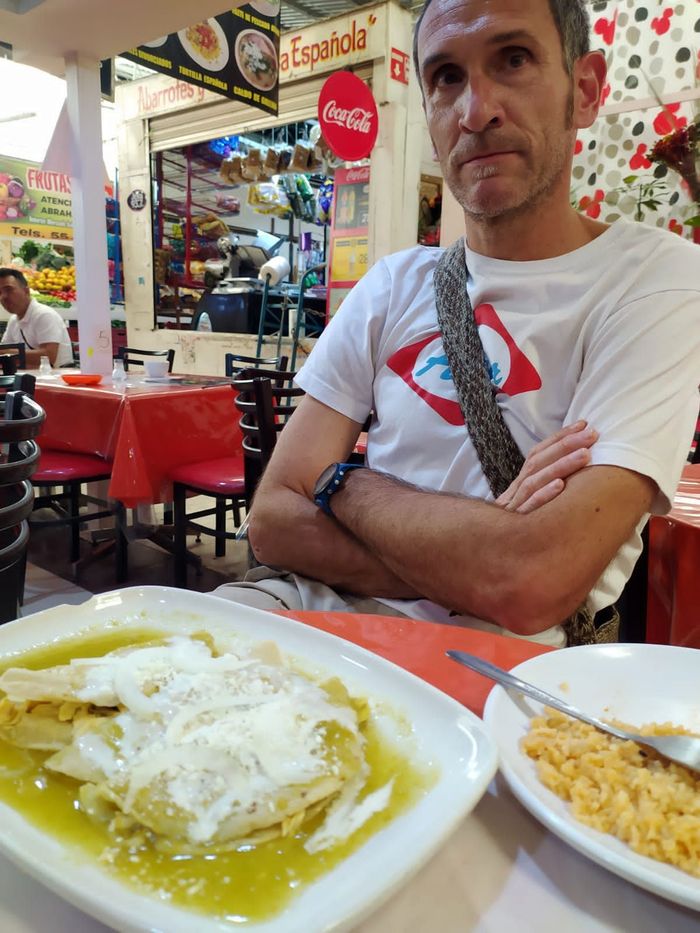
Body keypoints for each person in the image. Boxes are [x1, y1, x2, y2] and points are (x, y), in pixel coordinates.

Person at [214, 0, 700, 647]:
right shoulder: (391, 284)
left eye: (514, 60)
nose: (475, 110)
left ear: (584, 90)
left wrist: (341, 483)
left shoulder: (656, 278)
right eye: (446, 77)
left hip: (492, 662)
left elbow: (529, 582)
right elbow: (273, 520)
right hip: (299, 608)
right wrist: (481, 550)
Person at [0, 268, 74, 368]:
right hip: (30, 375)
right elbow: (4, 351)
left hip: (57, 375)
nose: (3, 297)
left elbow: (49, 356)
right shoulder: (14, 320)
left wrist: (6, 352)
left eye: (9, 290)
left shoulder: (44, 315)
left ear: (26, 291)